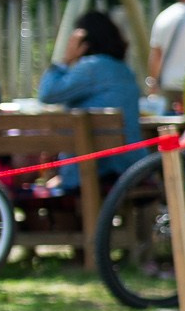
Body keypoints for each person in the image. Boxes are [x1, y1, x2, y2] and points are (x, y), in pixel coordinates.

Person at [38, 10, 146, 188]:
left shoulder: (91, 67)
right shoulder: (125, 70)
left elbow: (47, 94)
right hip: (130, 167)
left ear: (83, 42)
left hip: (95, 170)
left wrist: (66, 59)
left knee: (48, 189)